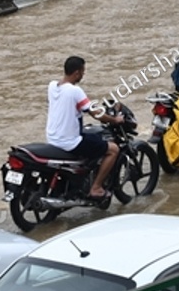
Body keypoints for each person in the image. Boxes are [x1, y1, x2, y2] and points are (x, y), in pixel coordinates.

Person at [46, 56, 124, 204]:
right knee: (113, 149)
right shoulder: (75, 91)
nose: (83, 75)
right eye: (83, 72)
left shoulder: (52, 86)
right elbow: (96, 113)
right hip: (70, 141)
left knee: (92, 139)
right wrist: (115, 120)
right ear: (76, 73)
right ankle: (96, 187)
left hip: (52, 138)